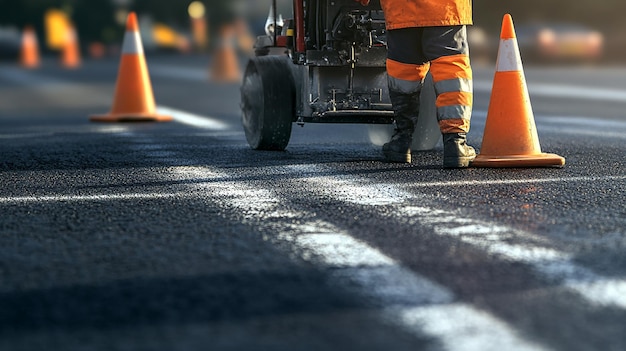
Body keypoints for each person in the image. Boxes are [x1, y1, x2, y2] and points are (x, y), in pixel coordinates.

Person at [355, 0, 476, 168]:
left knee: (404, 72)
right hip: (445, 9)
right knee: (451, 71)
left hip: (401, 10)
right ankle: (455, 143)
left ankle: (402, 141)